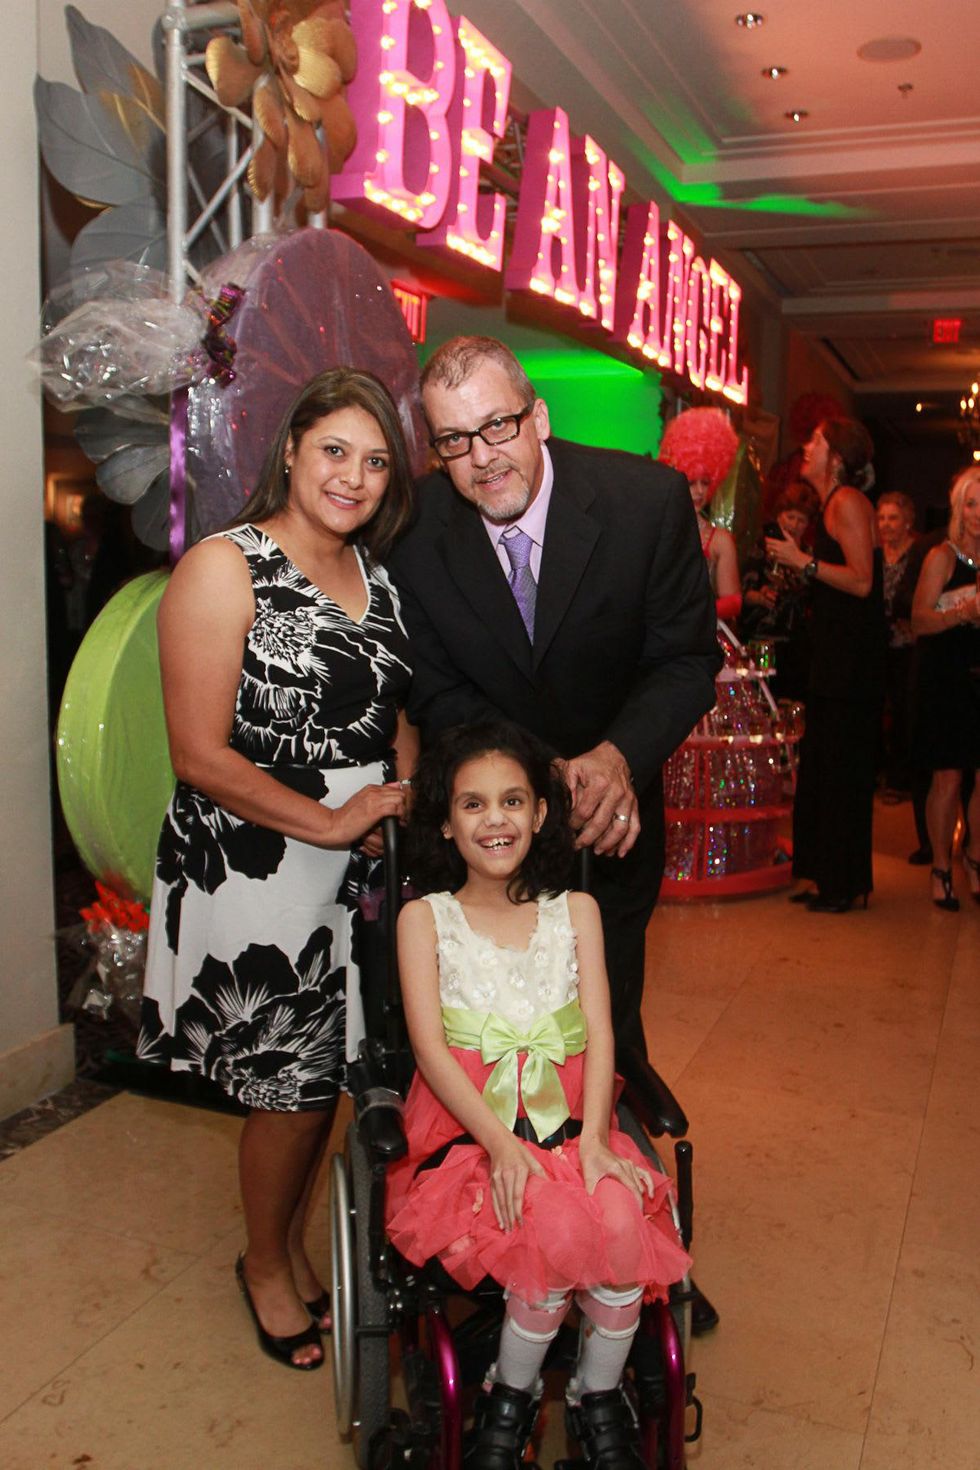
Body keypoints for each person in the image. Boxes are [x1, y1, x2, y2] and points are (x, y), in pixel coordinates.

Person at [138, 368, 417, 1369]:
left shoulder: (377, 577)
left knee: (327, 1077)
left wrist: (400, 794)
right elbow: (199, 753)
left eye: (375, 461)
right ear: (291, 450)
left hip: (350, 864)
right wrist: (332, 821)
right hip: (255, 856)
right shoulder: (225, 565)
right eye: (334, 449)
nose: (352, 476)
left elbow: (397, 710)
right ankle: (263, 1262)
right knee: (286, 1084)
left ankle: (290, 1246)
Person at [387, 335, 720, 1061]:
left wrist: (615, 758)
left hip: (613, 823)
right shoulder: (412, 535)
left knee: (607, 1028)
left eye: (496, 426)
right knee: (488, 1034)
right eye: (453, 440)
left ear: (538, 417)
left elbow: (687, 660)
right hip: (485, 834)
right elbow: (436, 689)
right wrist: (541, 776)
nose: (481, 457)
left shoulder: (645, 503)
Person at [386, 722, 692, 1470]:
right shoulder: (425, 920)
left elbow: (599, 1031)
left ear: (541, 814)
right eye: (474, 805)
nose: (496, 820)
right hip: (471, 1132)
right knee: (550, 1229)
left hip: (569, 1126)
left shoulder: (574, 914)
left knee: (619, 1221)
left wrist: (592, 1142)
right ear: (446, 822)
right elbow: (429, 1047)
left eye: (513, 801)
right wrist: (498, 1146)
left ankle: (595, 1398)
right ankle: (507, 1398)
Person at [767, 416, 886, 913]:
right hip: (837, 657)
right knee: (828, 768)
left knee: (841, 770)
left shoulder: (849, 503)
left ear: (836, 457)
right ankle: (831, 877)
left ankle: (844, 883)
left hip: (851, 663)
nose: (806, 447)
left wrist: (805, 564)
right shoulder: (834, 504)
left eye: (815, 441)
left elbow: (862, 581)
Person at [910, 467, 980, 911]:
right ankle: (941, 867)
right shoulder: (943, 556)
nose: (979, 514)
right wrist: (963, 611)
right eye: (972, 503)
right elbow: (918, 620)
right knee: (948, 779)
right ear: (959, 507)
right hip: (946, 678)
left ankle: (974, 859)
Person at [658, 405, 742, 622]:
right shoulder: (656, 532)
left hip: (704, 643)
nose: (700, 491)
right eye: (691, 482)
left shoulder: (719, 541)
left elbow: (734, 601)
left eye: (705, 483)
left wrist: (691, 616)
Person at [740, 480, 818, 700]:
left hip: (797, 645)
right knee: (762, 699)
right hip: (763, 641)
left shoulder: (809, 556)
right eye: (790, 517)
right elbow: (741, 593)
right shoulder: (762, 548)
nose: (794, 524)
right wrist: (760, 596)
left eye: (801, 520)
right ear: (779, 516)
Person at [876, 492, 922, 801]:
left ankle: (901, 777)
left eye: (893, 518)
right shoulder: (875, 552)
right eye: (881, 518)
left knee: (906, 710)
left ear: (907, 521)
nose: (886, 524)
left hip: (909, 643)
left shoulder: (918, 553)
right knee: (877, 707)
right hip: (878, 643)